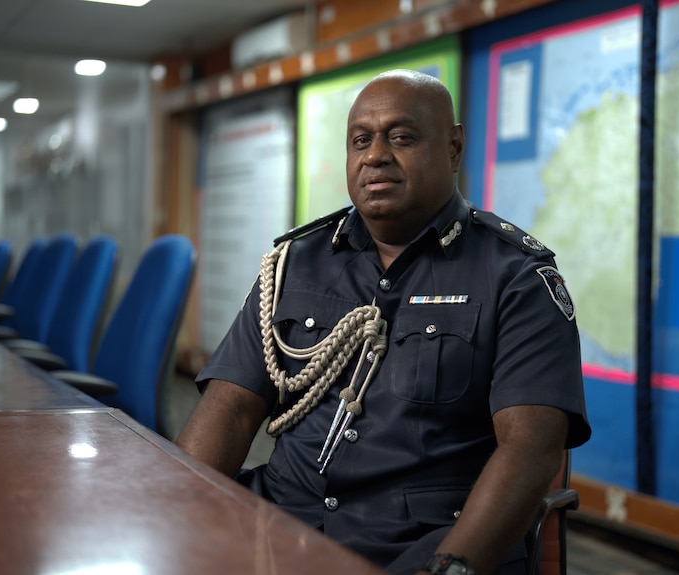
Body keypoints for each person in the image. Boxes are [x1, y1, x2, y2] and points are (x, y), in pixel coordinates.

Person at [176, 69, 591, 575]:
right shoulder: (296, 264)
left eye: (402, 137)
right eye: (361, 141)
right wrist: (173, 516)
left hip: (418, 543)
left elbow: (530, 450)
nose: (376, 155)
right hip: (280, 519)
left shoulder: (517, 279)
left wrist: (451, 566)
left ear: (453, 148)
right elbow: (231, 409)